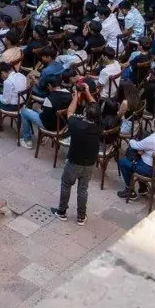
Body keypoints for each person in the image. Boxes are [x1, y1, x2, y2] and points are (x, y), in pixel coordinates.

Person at [51, 82, 100, 225]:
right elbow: (96, 108)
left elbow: (70, 112)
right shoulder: (99, 125)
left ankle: (62, 212)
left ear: (85, 113)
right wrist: (88, 92)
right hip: (89, 163)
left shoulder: (76, 125)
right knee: (83, 189)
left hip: (74, 161)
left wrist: (76, 96)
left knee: (66, 185)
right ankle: (81, 216)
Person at [118, 117, 155, 197]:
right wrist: (144, 151)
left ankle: (130, 191)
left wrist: (131, 140)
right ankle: (143, 188)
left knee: (123, 162)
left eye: (153, 123)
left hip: (149, 170)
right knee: (138, 157)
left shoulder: (153, 139)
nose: (151, 123)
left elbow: (135, 145)